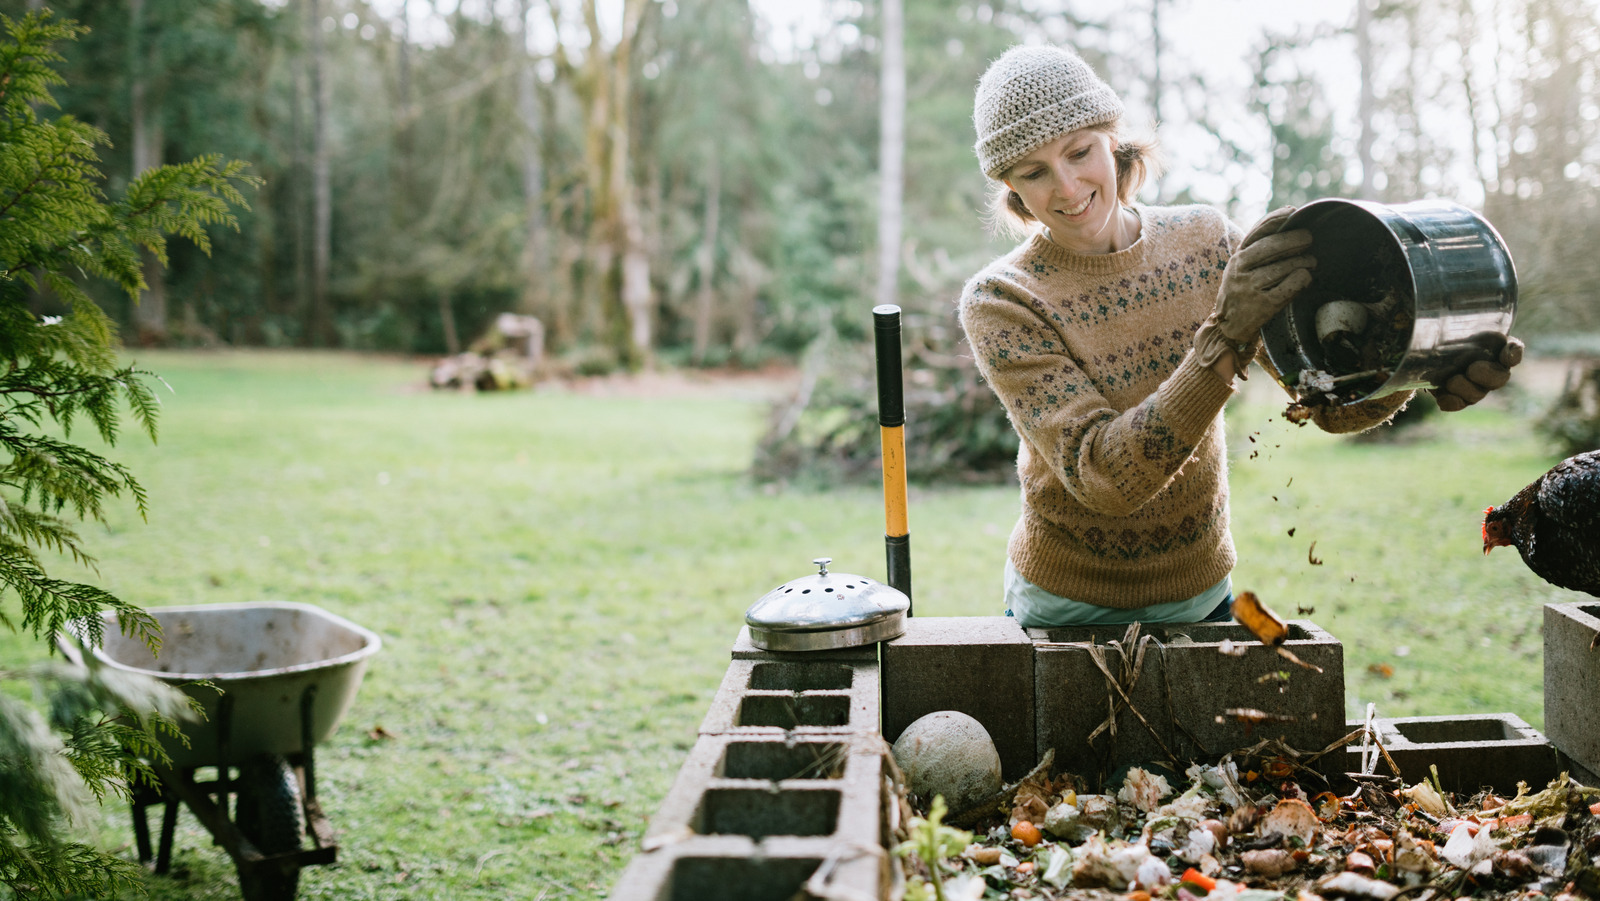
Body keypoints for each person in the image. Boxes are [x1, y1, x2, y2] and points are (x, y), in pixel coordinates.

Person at [958, 45, 1521, 628]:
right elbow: (1105, 477)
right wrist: (1225, 335)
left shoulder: (1207, 243)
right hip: (1065, 607)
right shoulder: (1002, 300)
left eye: (1080, 152)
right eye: (1034, 172)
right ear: (1010, 186)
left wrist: (1409, 366)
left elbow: (1323, 401)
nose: (1069, 185)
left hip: (1203, 594)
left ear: (1112, 140)